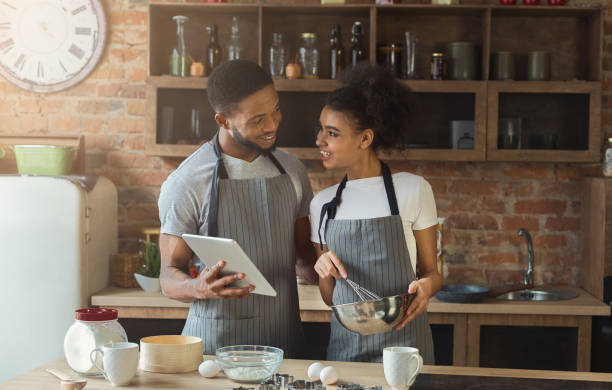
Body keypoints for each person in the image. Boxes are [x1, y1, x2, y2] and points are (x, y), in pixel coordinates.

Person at [158, 60, 317, 357]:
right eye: (257, 120)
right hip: (216, 349)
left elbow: (304, 260)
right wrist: (199, 288)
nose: (272, 125)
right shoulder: (188, 181)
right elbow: (168, 276)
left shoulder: (292, 170)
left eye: (276, 110)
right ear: (223, 121)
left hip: (284, 346)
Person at [309, 64, 441, 363]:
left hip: (405, 346)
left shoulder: (413, 189)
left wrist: (425, 287)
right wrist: (323, 270)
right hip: (346, 348)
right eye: (321, 129)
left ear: (365, 139)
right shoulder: (322, 205)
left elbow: (432, 274)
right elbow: (332, 299)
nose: (319, 140)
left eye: (332, 133)